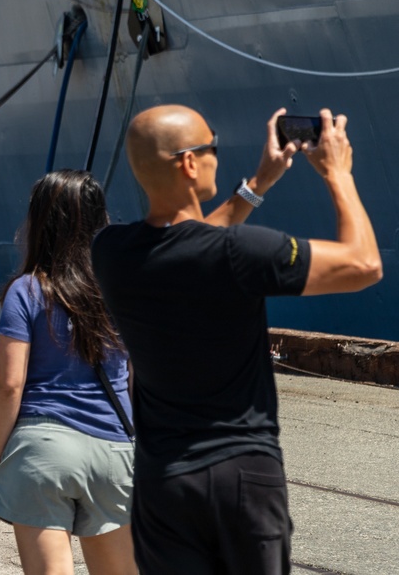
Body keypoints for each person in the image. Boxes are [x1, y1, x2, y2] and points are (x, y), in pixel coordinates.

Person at [91, 106, 382, 574]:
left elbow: (188, 238)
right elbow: (364, 264)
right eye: (213, 149)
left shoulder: (110, 253)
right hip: (244, 475)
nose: (216, 159)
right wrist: (338, 173)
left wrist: (259, 182)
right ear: (189, 163)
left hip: (163, 482)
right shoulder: (240, 253)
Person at [0, 170, 137, 575]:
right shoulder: (123, 288)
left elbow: (9, 384)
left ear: (39, 221)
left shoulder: (27, 289)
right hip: (114, 450)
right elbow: (136, 377)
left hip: (42, 451)